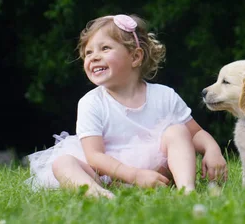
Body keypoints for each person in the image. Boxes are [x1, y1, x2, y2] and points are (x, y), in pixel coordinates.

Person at [25, 14, 227, 198]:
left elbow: (194, 134)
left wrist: (212, 149)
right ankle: (98, 195)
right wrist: (134, 175)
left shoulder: (164, 95)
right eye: (88, 53)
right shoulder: (91, 102)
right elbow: (94, 155)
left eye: (105, 48)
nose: (93, 57)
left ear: (135, 57)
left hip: (158, 171)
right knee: (63, 163)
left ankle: (186, 190)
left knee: (177, 131)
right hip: (109, 174)